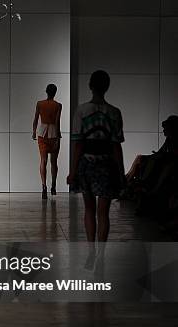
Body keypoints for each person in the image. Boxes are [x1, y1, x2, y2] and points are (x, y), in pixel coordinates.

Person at [68, 70, 125, 242]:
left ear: (90, 86)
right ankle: (101, 253)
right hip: (107, 164)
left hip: (87, 163)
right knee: (104, 213)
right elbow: (116, 146)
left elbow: (78, 144)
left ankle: (91, 248)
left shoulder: (81, 111)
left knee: (89, 210)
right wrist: (121, 173)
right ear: (107, 86)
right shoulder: (114, 112)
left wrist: (73, 171)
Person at [32, 84, 62, 199]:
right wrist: (58, 136)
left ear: (46, 91)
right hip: (53, 133)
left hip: (42, 133)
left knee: (43, 160)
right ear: (55, 92)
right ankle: (53, 185)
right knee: (54, 161)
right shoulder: (58, 105)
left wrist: (34, 131)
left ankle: (44, 186)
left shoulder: (40, 104)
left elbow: (35, 119)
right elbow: (57, 121)